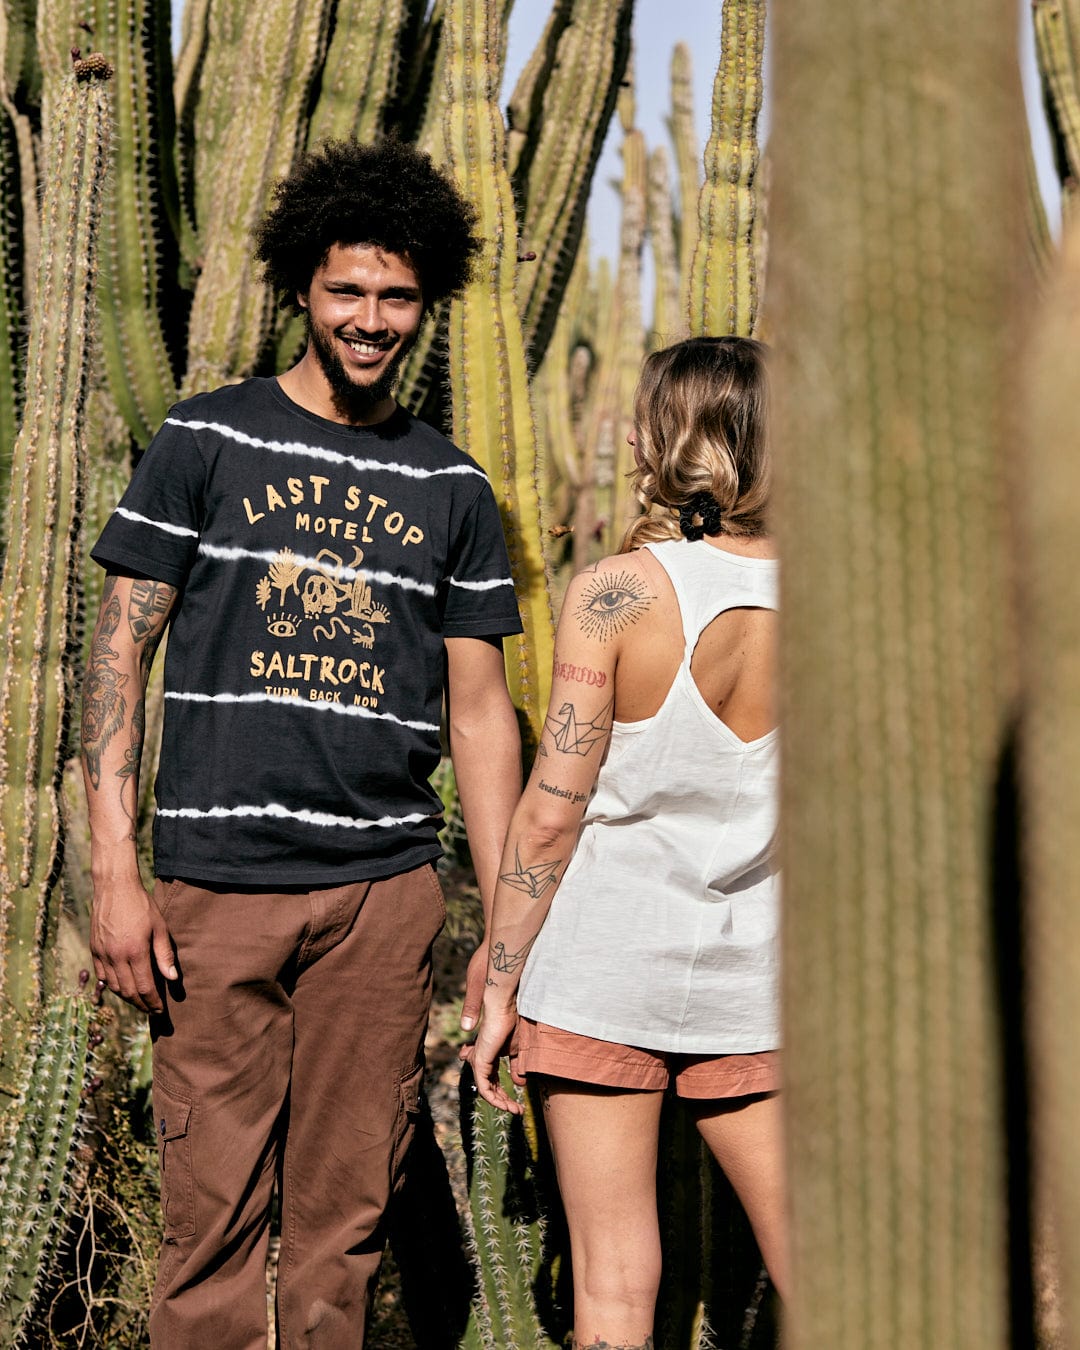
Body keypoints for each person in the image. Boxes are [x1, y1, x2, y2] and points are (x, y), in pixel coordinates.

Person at [81, 137, 523, 1349]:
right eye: (347, 291)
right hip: (216, 892)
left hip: (383, 900)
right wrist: (116, 873)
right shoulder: (206, 440)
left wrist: (500, 931)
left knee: (343, 1228)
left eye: (395, 296)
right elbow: (119, 649)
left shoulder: (453, 484)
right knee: (209, 1229)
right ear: (301, 288)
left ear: (425, 301)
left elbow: (480, 714)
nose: (371, 319)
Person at [462, 335, 787, 1347]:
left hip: (602, 966)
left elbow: (551, 809)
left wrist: (500, 977)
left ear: (664, 436)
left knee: (611, 1280)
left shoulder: (614, 593)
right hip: (757, 977)